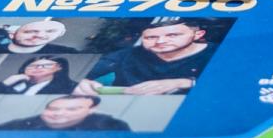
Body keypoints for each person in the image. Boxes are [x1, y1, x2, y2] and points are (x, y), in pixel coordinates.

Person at [76, 18, 215, 96]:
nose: (160, 41)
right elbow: (83, 73)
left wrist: (185, 83)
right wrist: (82, 82)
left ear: (198, 35)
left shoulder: (216, 53)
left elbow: (225, 88)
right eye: (151, 37)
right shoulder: (127, 54)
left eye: (172, 35)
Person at [0, 92, 130, 132]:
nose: (59, 113)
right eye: (53, 109)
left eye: (72, 109)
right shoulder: (18, 126)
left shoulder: (110, 127)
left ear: (91, 111)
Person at [0, 54, 78, 96]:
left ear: (59, 68)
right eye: (32, 66)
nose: (38, 68)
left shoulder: (71, 87)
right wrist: (5, 83)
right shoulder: (11, 83)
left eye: (46, 65)